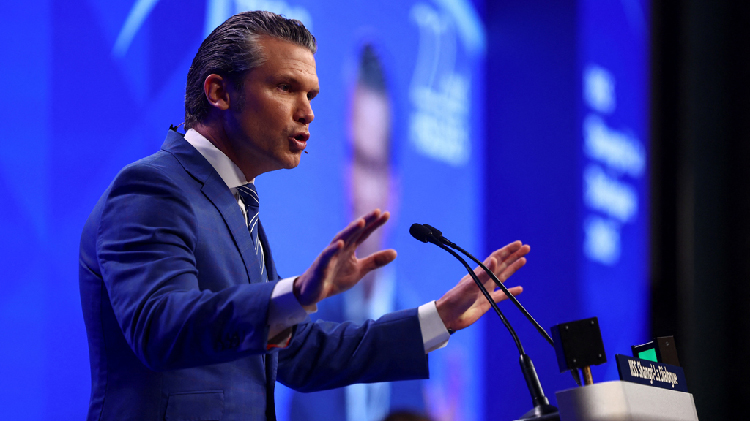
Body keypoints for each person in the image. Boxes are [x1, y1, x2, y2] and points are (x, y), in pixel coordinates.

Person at [79, 10, 530, 421]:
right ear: (219, 92)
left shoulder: (237, 206)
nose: (308, 112)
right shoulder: (153, 188)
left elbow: (298, 353)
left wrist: (436, 319)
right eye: (285, 88)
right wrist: (294, 294)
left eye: (311, 94)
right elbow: (159, 327)